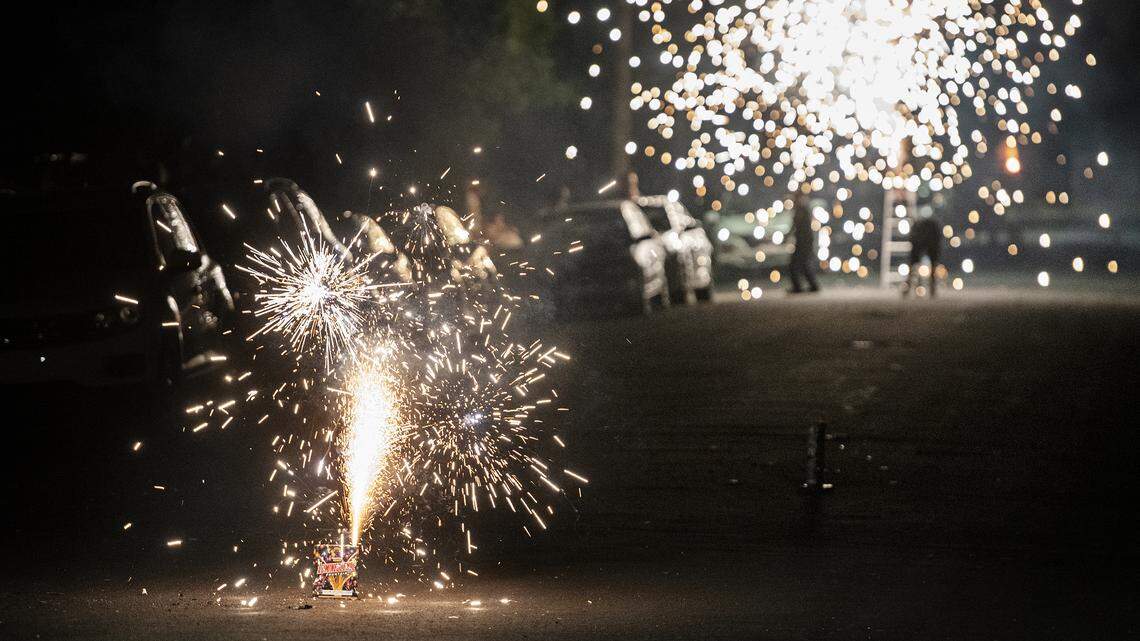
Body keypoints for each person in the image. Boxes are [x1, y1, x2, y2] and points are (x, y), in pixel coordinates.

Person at [788, 191, 820, 293]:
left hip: (803, 242)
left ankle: (799, 286)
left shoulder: (801, 210)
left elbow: (797, 226)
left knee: (795, 264)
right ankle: (812, 285)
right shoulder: (802, 209)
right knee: (803, 264)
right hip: (804, 241)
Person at [904, 213, 942, 297]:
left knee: (913, 265)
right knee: (931, 266)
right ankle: (932, 289)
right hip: (929, 235)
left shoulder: (919, 228)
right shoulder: (932, 227)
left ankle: (907, 288)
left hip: (922, 236)